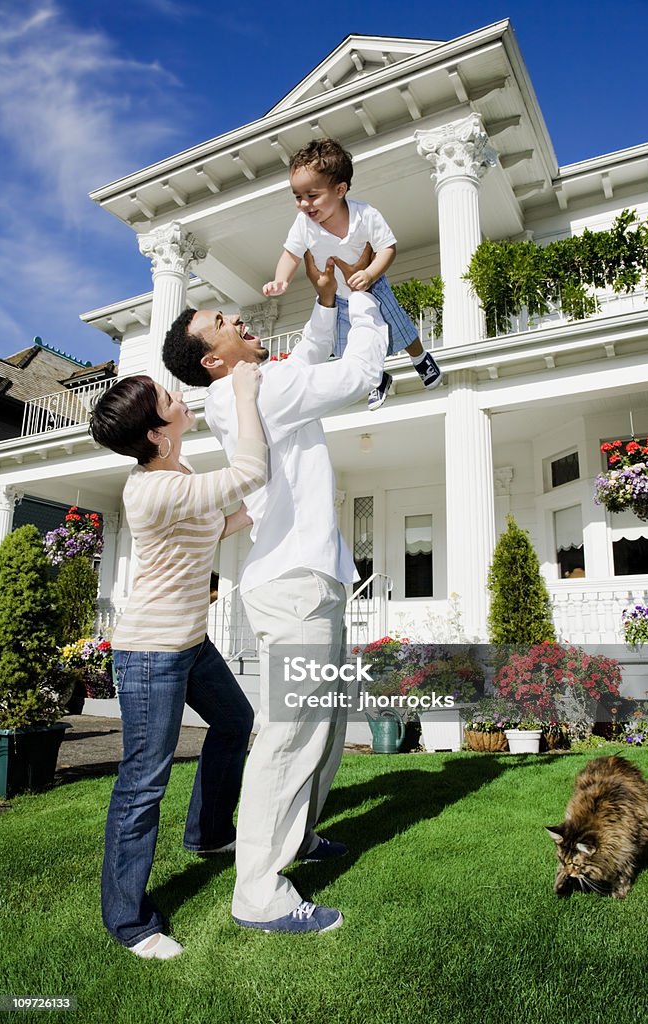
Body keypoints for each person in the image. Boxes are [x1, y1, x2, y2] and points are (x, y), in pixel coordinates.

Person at [162, 254, 389, 934]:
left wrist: (323, 306)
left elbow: (310, 359)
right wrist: (363, 301)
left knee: (323, 729)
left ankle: (298, 839)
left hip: (306, 580)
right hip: (292, 586)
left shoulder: (255, 387)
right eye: (221, 322)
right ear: (212, 360)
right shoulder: (256, 393)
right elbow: (352, 374)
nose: (236, 317)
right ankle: (258, 892)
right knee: (289, 737)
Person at [89, 363, 268, 960]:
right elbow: (248, 471)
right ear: (159, 434)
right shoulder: (154, 488)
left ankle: (210, 834)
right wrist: (244, 392)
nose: (181, 397)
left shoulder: (180, 474)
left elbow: (213, 524)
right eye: (172, 399)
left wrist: (258, 515)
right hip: (150, 652)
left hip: (190, 642)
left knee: (235, 723)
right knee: (144, 782)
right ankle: (129, 921)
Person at [263, 136, 443, 411]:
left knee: (399, 327)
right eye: (298, 197)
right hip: (339, 299)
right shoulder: (303, 225)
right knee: (349, 345)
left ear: (339, 190)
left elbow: (387, 248)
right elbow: (291, 254)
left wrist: (370, 274)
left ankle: (421, 359)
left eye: (312, 196)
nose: (303, 204)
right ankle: (378, 378)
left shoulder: (365, 215)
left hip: (372, 286)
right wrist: (281, 279)